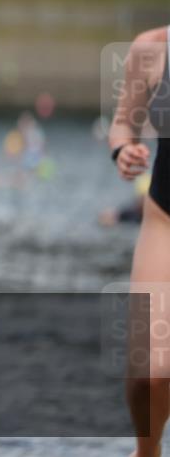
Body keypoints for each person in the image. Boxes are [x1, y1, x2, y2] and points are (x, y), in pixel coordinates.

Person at [108, 24, 170, 457]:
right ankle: (147, 451)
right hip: (166, 220)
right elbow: (120, 126)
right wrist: (122, 150)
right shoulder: (152, 49)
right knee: (151, 372)